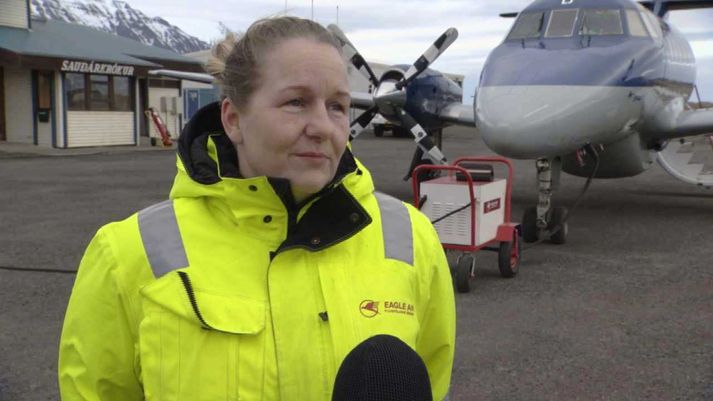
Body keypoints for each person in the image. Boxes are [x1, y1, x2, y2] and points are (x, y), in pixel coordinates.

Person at [58, 16, 455, 401]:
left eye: (337, 106)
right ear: (233, 119)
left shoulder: (412, 239)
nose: (323, 126)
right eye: (297, 102)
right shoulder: (126, 254)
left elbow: (432, 381)